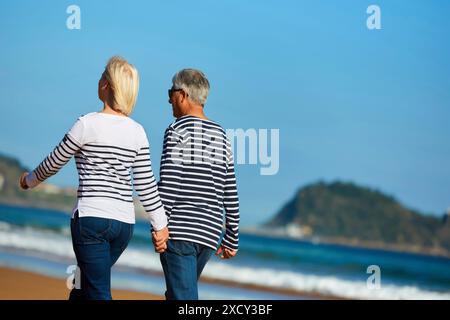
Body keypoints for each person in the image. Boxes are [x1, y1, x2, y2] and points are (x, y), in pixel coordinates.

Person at [19, 56, 169, 300]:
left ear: (107, 85)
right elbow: (145, 185)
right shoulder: (138, 132)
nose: (98, 79)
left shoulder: (86, 124)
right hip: (123, 226)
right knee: (82, 285)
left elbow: (54, 162)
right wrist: (160, 225)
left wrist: (29, 180)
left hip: (91, 221)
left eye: (102, 75)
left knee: (97, 291)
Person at [155, 68, 240, 300]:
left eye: (171, 93)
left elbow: (170, 184)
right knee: (180, 293)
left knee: (184, 298)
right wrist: (231, 236)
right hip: (209, 234)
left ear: (182, 95)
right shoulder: (221, 135)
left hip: (181, 230)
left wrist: (159, 225)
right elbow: (229, 190)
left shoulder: (177, 130)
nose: (169, 100)